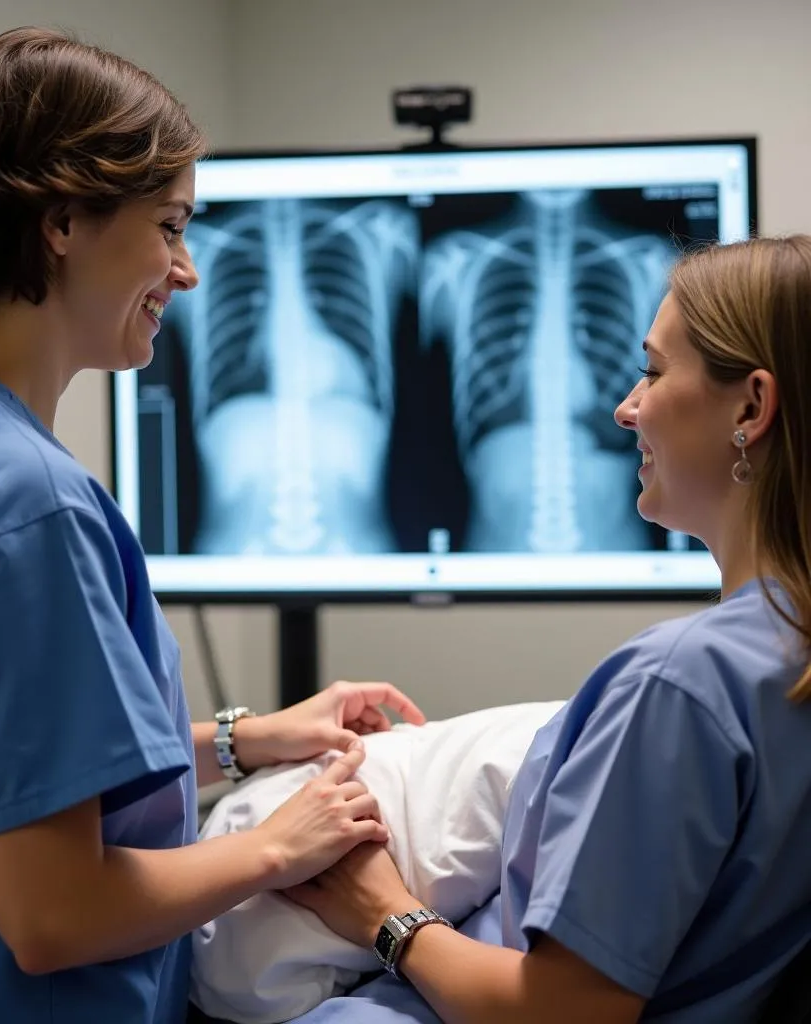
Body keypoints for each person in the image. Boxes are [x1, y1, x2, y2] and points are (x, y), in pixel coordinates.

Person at [0, 27, 425, 1024]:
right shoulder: (22, 507)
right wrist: (280, 843)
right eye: (170, 226)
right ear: (64, 221)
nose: (187, 270)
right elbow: (54, 912)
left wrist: (242, 739)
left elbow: (0, 765)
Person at [284, 236, 811, 1024]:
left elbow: (567, 1013)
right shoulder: (775, 658)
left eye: (656, 372)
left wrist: (384, 915)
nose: (626, 406)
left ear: (751, 407)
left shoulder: (681, 683)